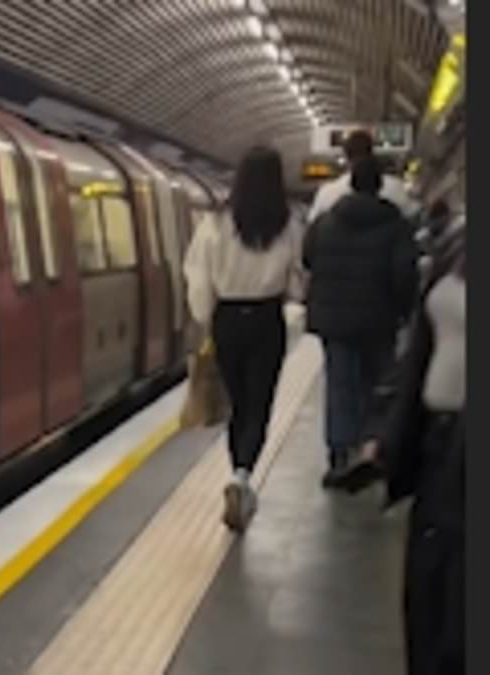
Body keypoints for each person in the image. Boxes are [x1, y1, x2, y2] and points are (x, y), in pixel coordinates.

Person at [341, 221, 464, 675]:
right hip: (440, 447)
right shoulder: (459, 243)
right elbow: (419, 350)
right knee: (430, 607)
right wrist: (387, 429)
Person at [183, 146, 302, 532]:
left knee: (236, 403)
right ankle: (242, 475)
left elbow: (198, 280)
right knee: (259, 402)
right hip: (267, 320)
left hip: (227, 320)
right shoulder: (287, 225)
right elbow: (299, 280)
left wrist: (206, 319)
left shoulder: (215, 224)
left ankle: (238, 471)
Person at [303, 157, 418, 487]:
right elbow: (404, 274)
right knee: (377, 387)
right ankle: (370, 452)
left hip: (335, 320)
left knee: (339, 386)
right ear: (379, 186)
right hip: (379, 320)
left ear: (351, 184)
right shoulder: (396, 223)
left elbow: (308, 258)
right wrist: (403, 311)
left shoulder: (325, 221)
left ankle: (339, 455)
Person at [307, 130, 414, 224]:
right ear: (372, 152)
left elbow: (313, 223)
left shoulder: (327, 192)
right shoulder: (395, 186)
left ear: (346, 157)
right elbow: (412, 216)